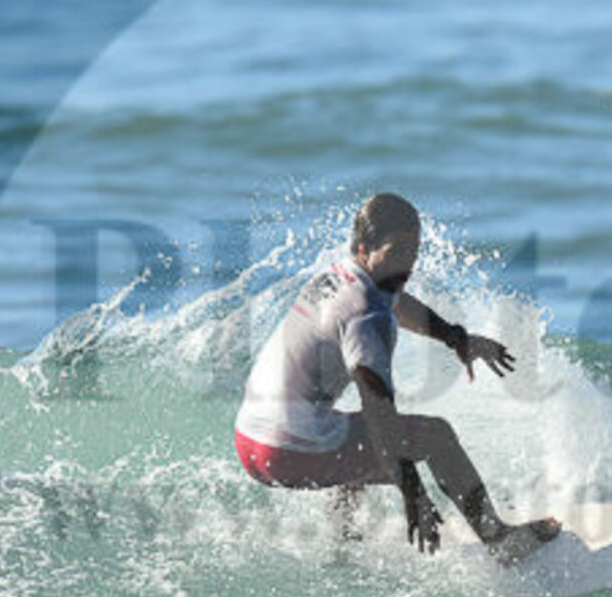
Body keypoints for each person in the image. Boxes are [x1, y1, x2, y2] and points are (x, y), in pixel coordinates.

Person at [234, 193, 561, 561]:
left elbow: (396, 302)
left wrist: (456, 338)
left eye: (414, 251)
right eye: (398, 251)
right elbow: (380, 415)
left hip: (251, 437)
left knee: (349, 433)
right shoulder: (366, 318)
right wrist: (413, 491)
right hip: (288, 451)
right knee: (437, 437)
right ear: (364, 248)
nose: (409, 264)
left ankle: (343, 542)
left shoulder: (340, 275)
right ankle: (500, 541)